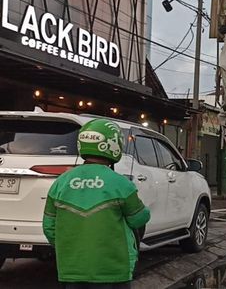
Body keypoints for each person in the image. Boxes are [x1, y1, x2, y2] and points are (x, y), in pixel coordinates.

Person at [43, 119, 151, 289]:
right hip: (113, 271)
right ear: (114, 145)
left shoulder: (61, 182)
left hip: (72, 271)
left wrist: (72, 246)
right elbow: (138, 219)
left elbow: (49, 227)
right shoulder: (120, 183)